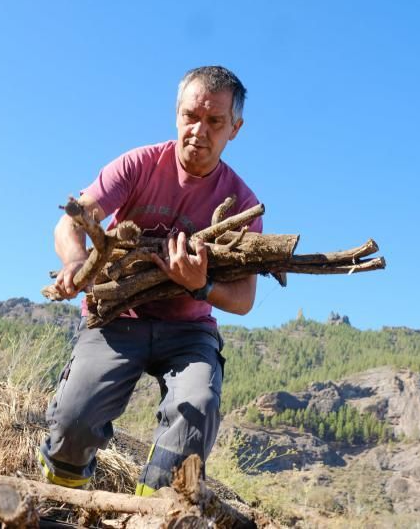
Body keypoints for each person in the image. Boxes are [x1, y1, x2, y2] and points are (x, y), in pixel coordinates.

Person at [38, 66, 262, 496]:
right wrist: (76, 261)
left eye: (214, 121)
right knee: (74, 420)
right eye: (190, 116)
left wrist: (200, 286)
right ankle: (60, 497)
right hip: (119, 316)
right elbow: (70, 224)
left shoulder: (243, 205)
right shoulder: (139, 165)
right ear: (176, 113)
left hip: (189, 330)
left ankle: (155, 511)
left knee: (198, 407)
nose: (199, 130)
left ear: (235, 128)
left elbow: (243, 300)